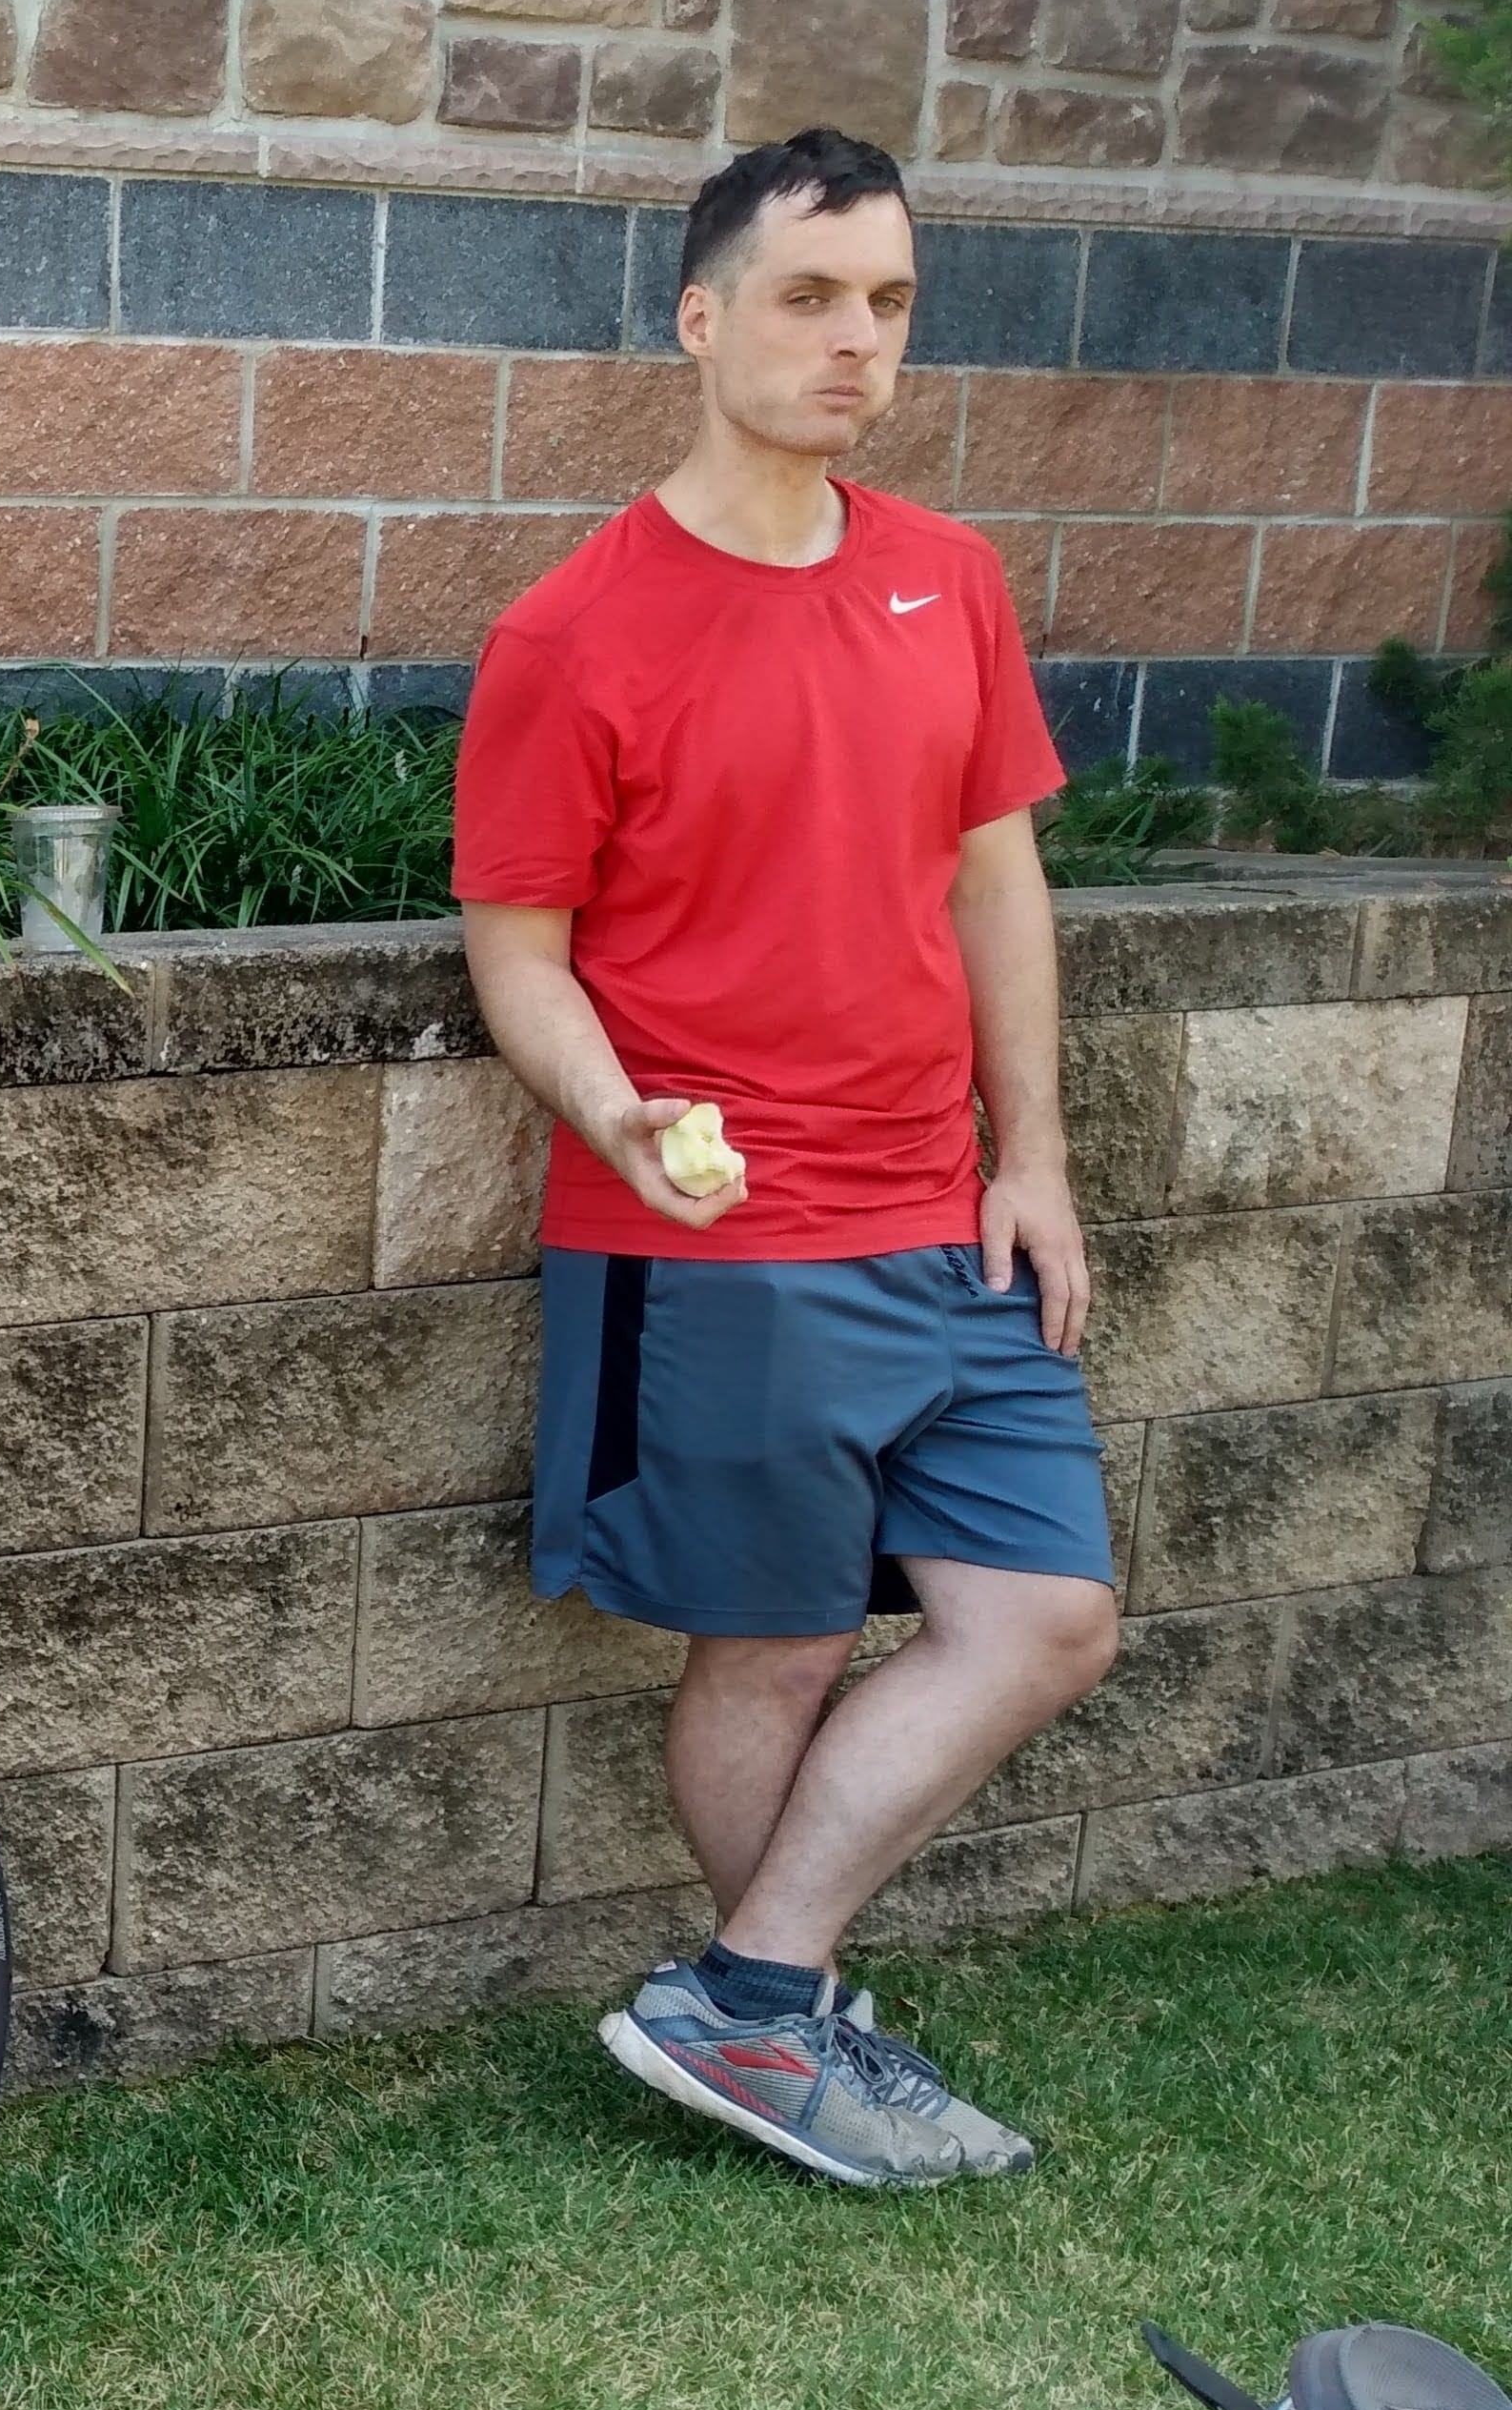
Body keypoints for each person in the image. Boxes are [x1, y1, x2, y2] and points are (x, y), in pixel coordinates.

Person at [453, 127, 1119, 2193]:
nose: (856, 342)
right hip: (718, 1234)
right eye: (815, 297)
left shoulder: (951, 579)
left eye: (890, 303)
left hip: (944, 1211)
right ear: (702, 315)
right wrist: (615, 1111)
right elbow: (517, 955)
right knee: (773, 1645)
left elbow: (995, 879)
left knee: (1046, 1617)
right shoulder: (575, 631)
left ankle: (751, 1998)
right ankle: (784, 2022)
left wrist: (1041, 1159)